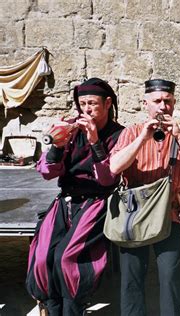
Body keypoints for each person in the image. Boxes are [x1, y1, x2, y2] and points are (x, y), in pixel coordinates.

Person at [26, 78, 124, 315]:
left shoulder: (119, 134)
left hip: (98, 203)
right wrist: (57, 146)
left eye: (92, 103)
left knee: (66, 257)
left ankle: (73, 308)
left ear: (108, 103)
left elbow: (107, 179)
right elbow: (48, 173)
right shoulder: (70, 130)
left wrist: (94, 141)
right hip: (66, 201)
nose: (86, 109)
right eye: (82, 104)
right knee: (42, 258)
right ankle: (51, 307)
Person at [109, 79, 180, 316]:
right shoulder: (131, 133)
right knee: (132, 277)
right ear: (146, 104)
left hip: (169, 215)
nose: (163, 107)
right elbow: (114, 167)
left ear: (174, 103)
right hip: (134, 214)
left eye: (168, 101)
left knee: (170, 276)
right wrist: (143, 137)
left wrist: (179, 135)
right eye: (157, 101)